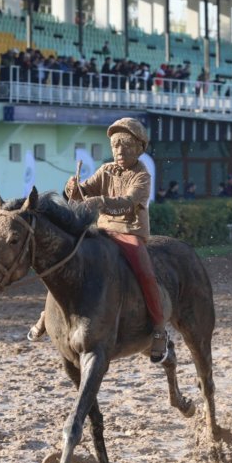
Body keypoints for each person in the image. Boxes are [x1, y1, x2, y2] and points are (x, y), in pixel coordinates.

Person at [27, 118, 169, 364]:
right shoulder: (105, 170)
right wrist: (72, 188)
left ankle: (158, 329)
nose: (119, 151)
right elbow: (85, 190)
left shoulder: (142, 177)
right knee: (65, 262)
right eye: (115, 146)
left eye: (125, 145)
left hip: (130, 232)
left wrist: (101, 202)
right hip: (101, 230)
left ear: (139, 148)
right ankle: (46, 316)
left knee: (145, 273)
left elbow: (128, 202)